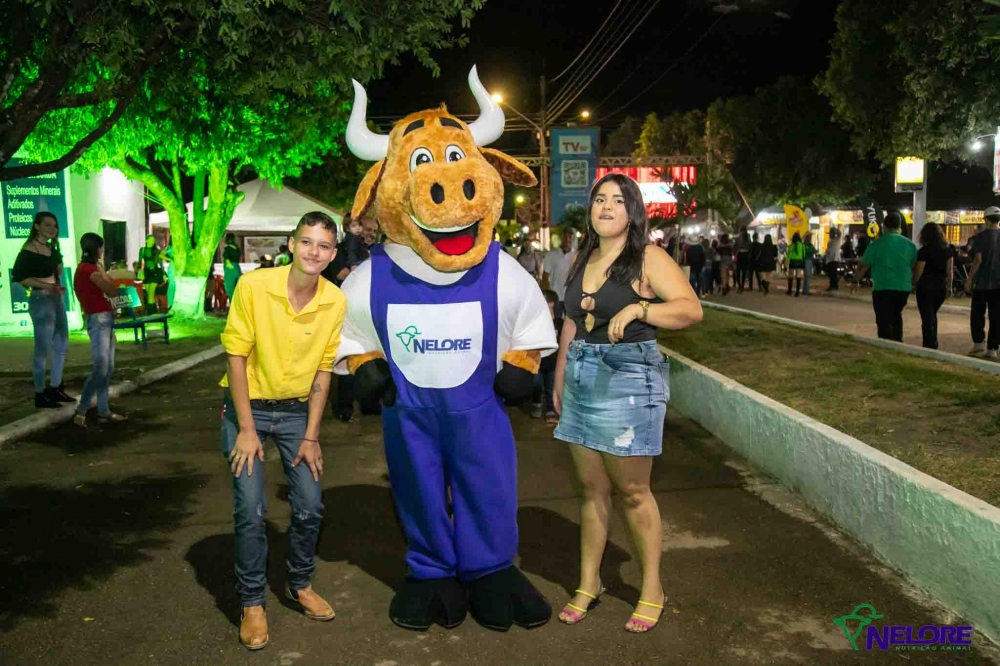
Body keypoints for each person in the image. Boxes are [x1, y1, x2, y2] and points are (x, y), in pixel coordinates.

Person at [554, 173, 703, 633]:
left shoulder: (647, 257)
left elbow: (690, 309)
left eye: (618, 200)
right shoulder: (583, 257)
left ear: (633, 211)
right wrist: (560, 377)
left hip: (629, 379)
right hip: (581, 377)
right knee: (591, 489)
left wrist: (641, 308)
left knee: (634, 491)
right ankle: (589, 582)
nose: (606, 207)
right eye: (599, 199)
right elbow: (572, 322)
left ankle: (652, 588)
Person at [220, 211, 345, 651]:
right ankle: (252, 601)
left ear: (333, 254)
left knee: (310, 506)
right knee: (251, 510)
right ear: (292, 244)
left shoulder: (334, 301)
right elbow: (236, 356)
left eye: (323, 246)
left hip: (296, 414)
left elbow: (324, 371)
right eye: (306, 242)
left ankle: (299, 583)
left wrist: (311, 436)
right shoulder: (254, 287)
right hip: (248, 409)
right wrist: (246, 429)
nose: (314, 252)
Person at [12, 212, 74, 408]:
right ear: (37, 226)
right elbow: (20, 276)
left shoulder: (51, 248)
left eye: (55, 225)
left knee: (61, 342)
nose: (52, 229)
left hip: (55, 299)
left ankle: (55, 387)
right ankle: (40, 393)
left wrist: (57, 282)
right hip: (41, 300)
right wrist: (47, 286)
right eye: (47, 225)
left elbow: (58, 268)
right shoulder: (29, 250)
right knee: (42, 348)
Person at [72, 233, 128, 428]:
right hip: (99, 320)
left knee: (107, 368)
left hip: (103, 318)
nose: (103, 251)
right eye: (101, 248)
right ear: (96, 249)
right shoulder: (89, 270)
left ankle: (103, 411)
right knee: (101, 367)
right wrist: (103, 271)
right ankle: (82, 409)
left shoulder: (85, 269)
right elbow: (112, 290)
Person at [851, 212, 917, 342]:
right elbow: (913, 265)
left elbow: (863, 266)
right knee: (896, 315)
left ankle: (885, 343)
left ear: (883, 226)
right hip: (902, 288)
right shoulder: (910, 245)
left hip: (882, 286)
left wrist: (855, 281)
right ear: (899, 227)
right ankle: (897, 342)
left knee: (882, 318)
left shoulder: (876, 244)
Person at [965, 206, 1000, 358]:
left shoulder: (981, 237)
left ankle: (979, 343)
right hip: (998, 285)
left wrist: (969, 279)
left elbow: (978, 260)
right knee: (996, 316)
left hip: (981, 283)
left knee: (977, 314)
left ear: (986, 220)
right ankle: (993, 349)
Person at [913, 222, 953, 350]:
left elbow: (919, 271)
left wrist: (913, 283)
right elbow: (950, 271)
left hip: (925, 286)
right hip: (940, 286)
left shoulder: (923, 251)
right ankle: (932, 342)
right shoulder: (947, 250)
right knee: (932, 314)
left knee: (927, 317)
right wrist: (949, 287)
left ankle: (929, 343)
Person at [532, 289, 563, 423]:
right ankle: (537, 403)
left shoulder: (559, 323)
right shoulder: (534, 322)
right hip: (537, 361)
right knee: (536, 383)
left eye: (550, 302)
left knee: (551, 386)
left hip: (553, 362)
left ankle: (551, 409)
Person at [542, 230, 577, 315]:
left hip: (571, 296)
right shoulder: (551, 254)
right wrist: (546, 295)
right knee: (556, 319)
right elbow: (545, 275)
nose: (567, 240)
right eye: (565, 237)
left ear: (573, 239)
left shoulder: (577, 255)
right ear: (562, 238)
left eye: (570, 237)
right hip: (556, 296)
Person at [139, 234, 165, 313]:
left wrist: (164, 274)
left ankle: (150, 312)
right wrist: (140, 271)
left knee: (150, 295)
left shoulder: (156, 250)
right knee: (149, 294)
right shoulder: (142, 250)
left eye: (153, 240)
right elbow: (140, 262)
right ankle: (154, 310)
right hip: (147, 273)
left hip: (155, 272)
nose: (152, 241)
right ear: (146, 240)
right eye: (150, 240)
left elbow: (160, 263)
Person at [223, 233, 243, 299]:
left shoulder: (228, 248)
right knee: (237, 287)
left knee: (230, 287)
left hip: (230, 268)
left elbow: (226, 257)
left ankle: (232, 303)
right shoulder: (236, 248)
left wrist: (228, 263)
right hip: (237, 268)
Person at [734, 227, 751, 292]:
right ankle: (742, 286)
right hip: (746, 255)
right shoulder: (748, 237)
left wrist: (735, 252)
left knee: (738, 271)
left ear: (741, 231)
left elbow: (735, 246)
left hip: (740, 255)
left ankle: (740, 286)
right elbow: (750, 246)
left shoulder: (739, 238)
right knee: (744, 271)